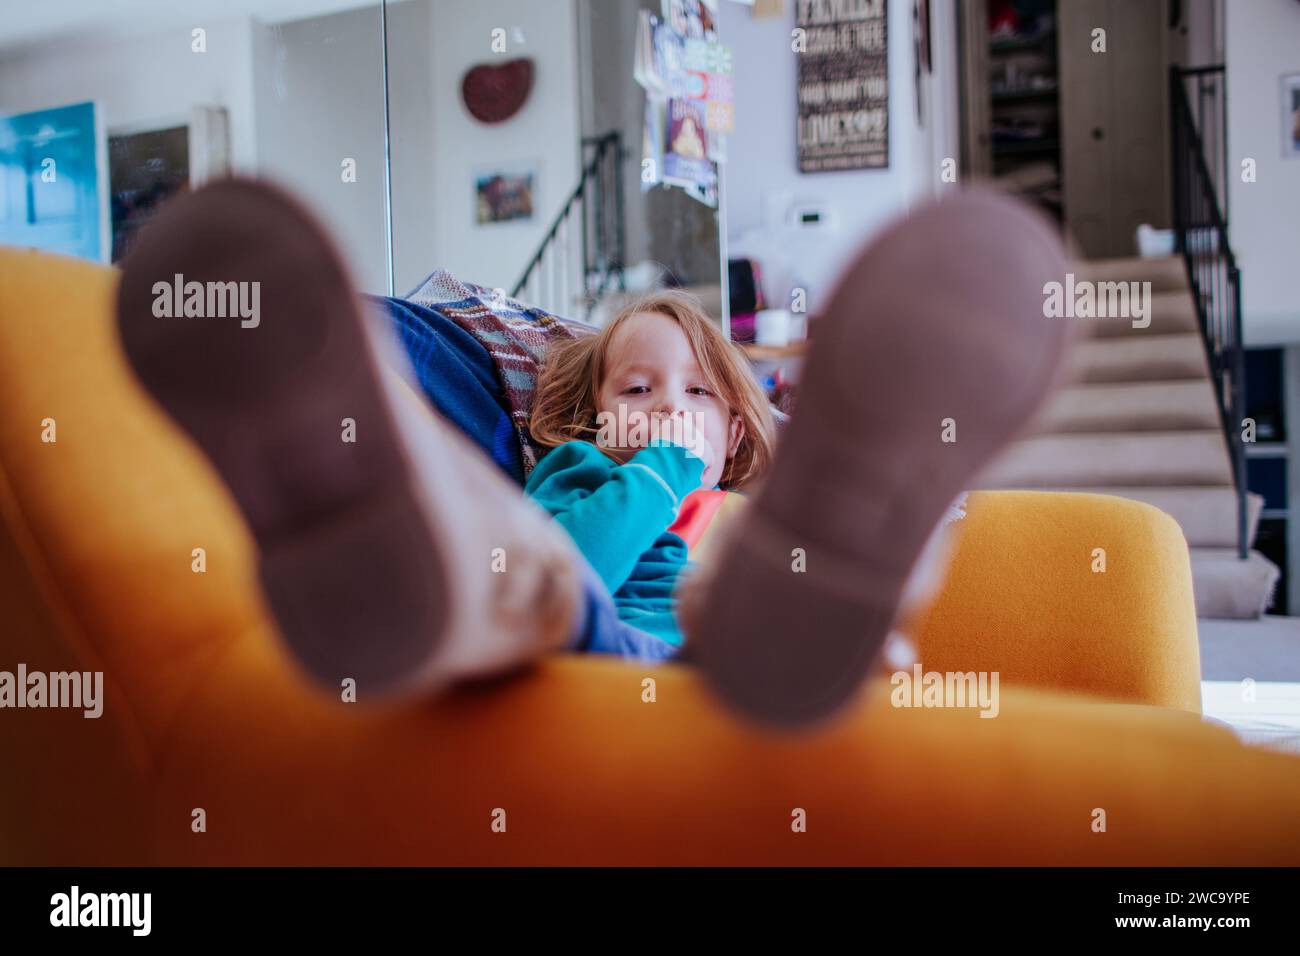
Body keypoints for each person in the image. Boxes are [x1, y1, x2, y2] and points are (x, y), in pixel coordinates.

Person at [115, 178, 1070, 729]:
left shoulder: (738, 501)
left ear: (740, 430)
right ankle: (392, 538)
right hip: (578, 644)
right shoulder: (584, 468)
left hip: (702, 658)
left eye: (699, 394)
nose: (666, 410)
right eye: (637, 389)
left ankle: (820, 601)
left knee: (775, 601)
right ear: (587, 412)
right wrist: (657, 472)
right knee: (525, 575)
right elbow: (583, 556)